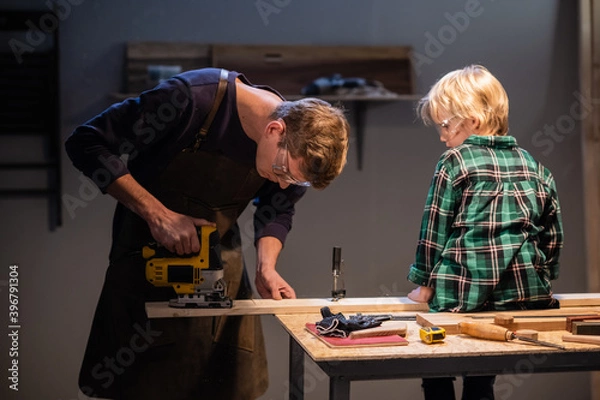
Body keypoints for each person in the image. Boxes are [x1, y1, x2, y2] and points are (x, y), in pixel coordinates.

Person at [65, 67, 349, 400]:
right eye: (282, 171)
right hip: (144, 271)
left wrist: (266, 267)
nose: (284, 183)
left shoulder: (293, 149)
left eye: (294, 181)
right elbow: (86, 142)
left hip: (220, 275)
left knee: (227, 386)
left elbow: (278, 208)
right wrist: (158, 215)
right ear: (274, 130)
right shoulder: (190, 99)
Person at [406, 65, 563, 400]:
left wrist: (423, 284)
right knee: (481, 375)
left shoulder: (455, 162)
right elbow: (552, 235)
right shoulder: (536, 168)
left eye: (445, 125)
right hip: (524, 297)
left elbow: (435, 230)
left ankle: (438, 386)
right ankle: (479, 387)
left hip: (463, 295)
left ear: (472, 122)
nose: (442, 136)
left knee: (436, 364)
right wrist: (545, 275)